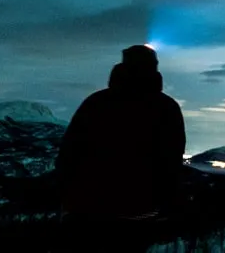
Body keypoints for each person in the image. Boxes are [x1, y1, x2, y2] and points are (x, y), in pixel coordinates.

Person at [55, 45, 187, 252]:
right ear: (154, 68)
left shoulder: (96, 102)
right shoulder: (166, 107)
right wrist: (169, 204)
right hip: (138, 211)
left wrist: (66, 198)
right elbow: (171, 161)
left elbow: (69, 153)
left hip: (86, 208)